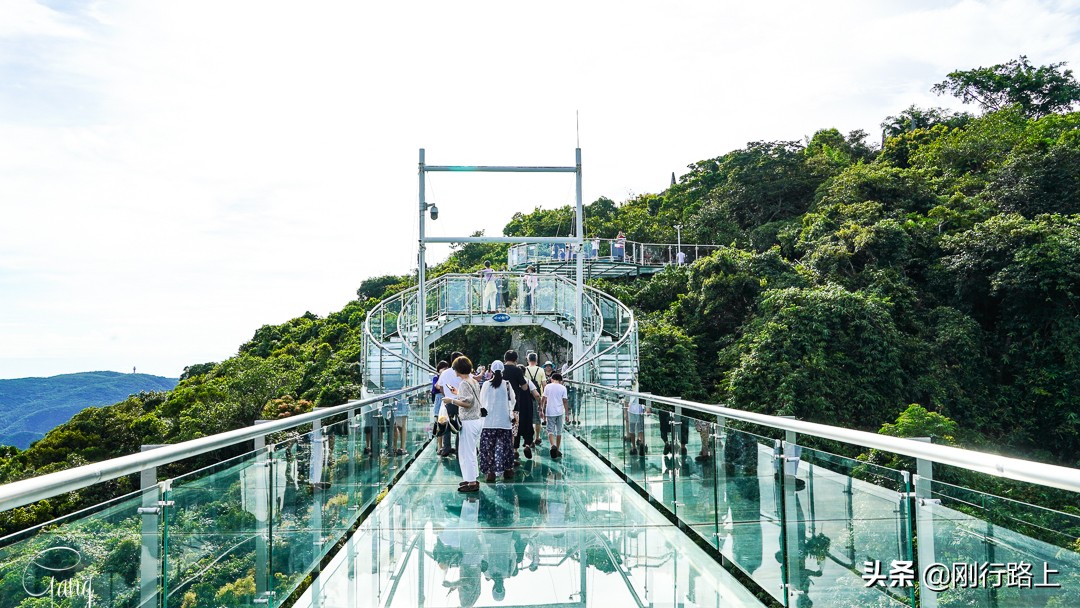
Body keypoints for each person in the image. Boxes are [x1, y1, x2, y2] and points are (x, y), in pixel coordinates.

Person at [444, 356, 484, 493]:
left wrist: (451, 400)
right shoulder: (472, 381)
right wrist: (457, 394)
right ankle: (470, 478)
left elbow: (468, 403)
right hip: (476, 420)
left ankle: (472, 482)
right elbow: (470, 399)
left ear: (459, 369)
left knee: (467, 452)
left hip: (469, 420)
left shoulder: (464, 383)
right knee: (469, 451)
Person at [479, 360, 517, 482]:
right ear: (503, 370)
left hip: (488, 422)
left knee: (488, 448)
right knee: (505, 447)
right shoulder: (506, 384)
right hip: (504, 421)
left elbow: (482, 401)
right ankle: (507, 470)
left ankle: (490, 473)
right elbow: (513, 400)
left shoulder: (486, 384)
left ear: (491, 371)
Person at [503, 350, 538, 460]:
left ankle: (514, 449)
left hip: (503, 403)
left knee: (512, 427)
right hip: (517, 403)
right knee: (523, 424)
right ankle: (527, 444)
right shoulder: (517, 370)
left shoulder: (501, 370)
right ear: (516, 359)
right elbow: (524, 387)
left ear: (505, 358)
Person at [436, 352, 464, 457]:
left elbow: (439, 386)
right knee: (460, 424)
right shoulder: (463, 371)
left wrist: (445, 394)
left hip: (448, 401)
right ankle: (458, 448)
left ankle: (446, 447)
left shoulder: (445, 373)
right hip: (460, 402)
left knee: (446, 424)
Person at [541, 373, 568, 458]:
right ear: (561, 381)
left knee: (550, 430)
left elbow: (543, 399)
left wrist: (541, 409)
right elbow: (565, 401)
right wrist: (567, 413)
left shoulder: (547, 387)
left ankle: (553, 445)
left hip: (550, 411)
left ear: (552, 379)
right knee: (559, 431)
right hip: (559, 412)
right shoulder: (563, 388)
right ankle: (558, 449)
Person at [524, 353, 547, 447]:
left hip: (526, 397)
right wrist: (544, 399)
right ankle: (537, 437)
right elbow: (544, 385)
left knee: (527, 418)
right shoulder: (541, 370)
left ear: (528, 360)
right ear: (536, 360)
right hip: (537, 397)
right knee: (537, 418)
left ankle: (528, 439)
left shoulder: (524, 370)